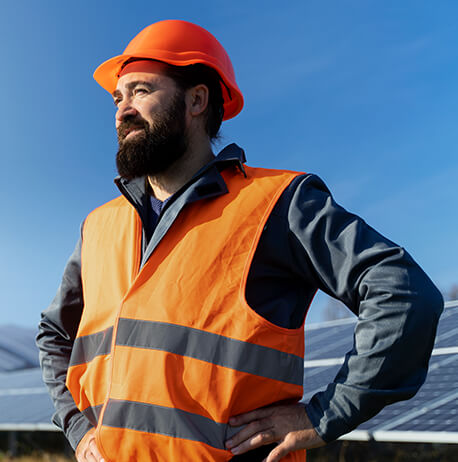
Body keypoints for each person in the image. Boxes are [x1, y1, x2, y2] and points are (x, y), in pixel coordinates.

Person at [36, 19, 444, 462]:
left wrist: (325, 414)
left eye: (140, 91)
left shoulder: (277, 204)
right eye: (118, 97)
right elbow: (54, 332)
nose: (121, 109)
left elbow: (404, 294)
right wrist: (79, 430)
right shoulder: (99, 225)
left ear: (196, 100)